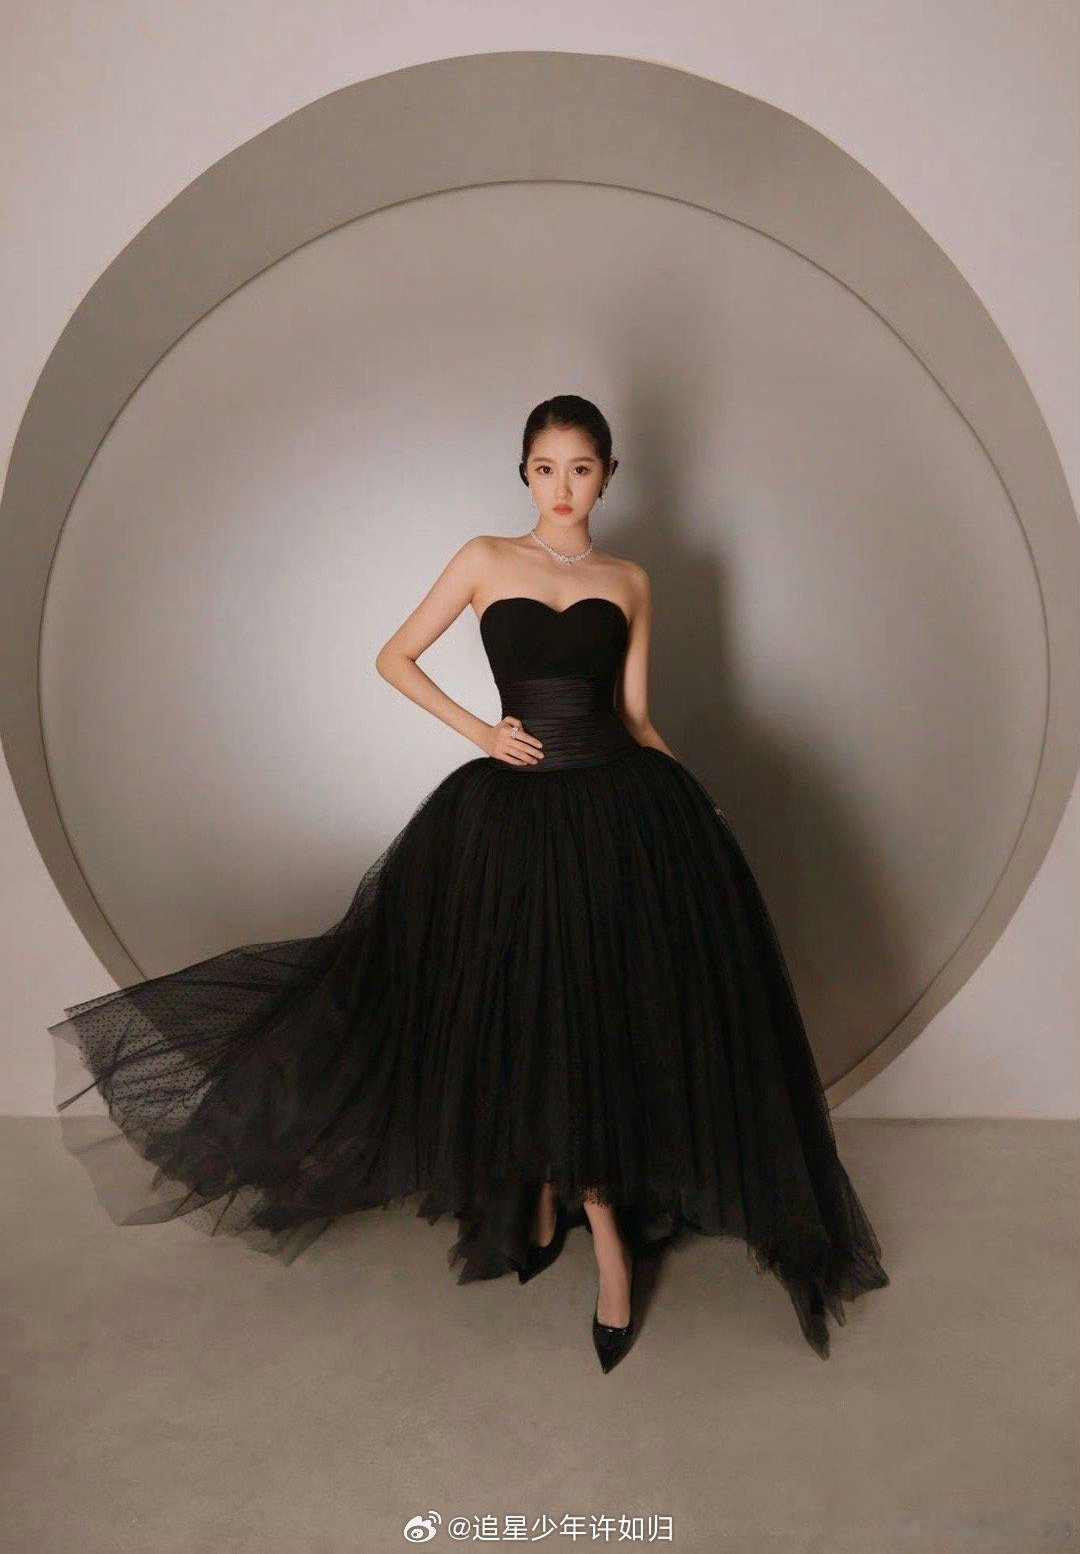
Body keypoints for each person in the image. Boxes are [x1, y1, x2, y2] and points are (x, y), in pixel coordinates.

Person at [50, 393, 889, 1372]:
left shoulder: (630, 579)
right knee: (530, 1010)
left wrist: (694, 802)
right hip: (513, 817)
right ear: (524, 474)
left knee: (596, 1015)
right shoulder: (486, 558)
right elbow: (394, 657)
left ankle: (599, 1241)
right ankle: (572, 1210)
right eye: (545, 468)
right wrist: (484, 733)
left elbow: (633, 715)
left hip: (618, 810)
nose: (563, 487)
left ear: (608, 476)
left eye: (581, 469)